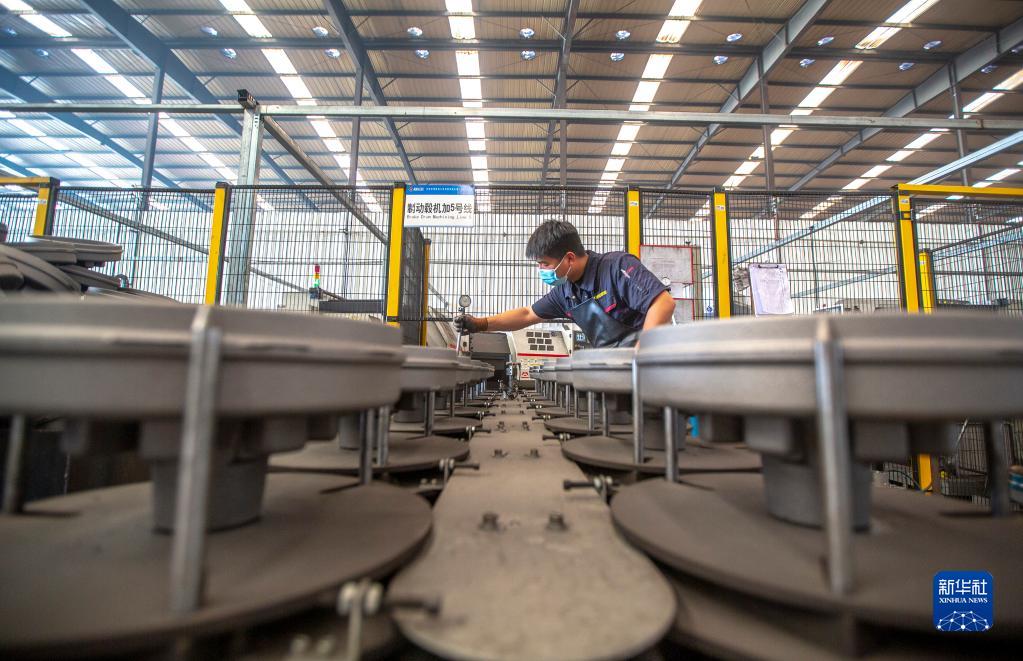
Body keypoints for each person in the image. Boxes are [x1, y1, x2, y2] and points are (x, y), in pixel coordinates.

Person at [454, 220, 676, 348]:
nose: (542, 270)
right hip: (617, 365)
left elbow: (663, 303)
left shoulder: (616, 267)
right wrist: (481, 324)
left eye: (545, 264)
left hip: (653, 362)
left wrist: (641, 354)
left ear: (569, 258)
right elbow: (526, 314)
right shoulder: (566, 292)